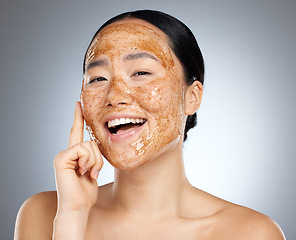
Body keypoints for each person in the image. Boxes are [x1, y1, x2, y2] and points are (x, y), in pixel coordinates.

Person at [14, 10, 285, 240]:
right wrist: (72, 217)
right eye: (97, 78)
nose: (115, 96)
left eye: (141, 72)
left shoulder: (249, 232)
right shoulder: (44, 213)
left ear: (192, 97)